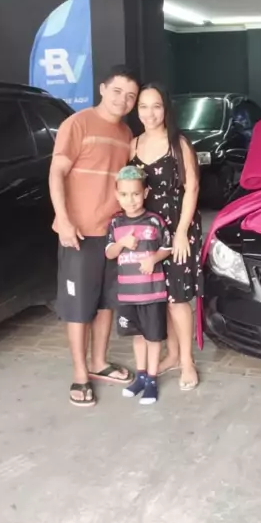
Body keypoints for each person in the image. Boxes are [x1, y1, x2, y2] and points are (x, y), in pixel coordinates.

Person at [49, 65, 140, 407]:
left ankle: (99, 363)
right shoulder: (78, 124)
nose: (123, 100)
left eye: (130, 96)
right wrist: (63, 219)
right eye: (117, 91)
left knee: (105, 303)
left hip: (113, 234)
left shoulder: (126, 134)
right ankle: (80, 374)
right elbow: (57, 173)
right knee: (78, 307)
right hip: (80, 234)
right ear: (102, 89)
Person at [130, 82, 202, 391]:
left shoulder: (178, 143)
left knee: (177, 299)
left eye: (156, 106)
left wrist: (182, 232)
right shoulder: (133, 145)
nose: (150, 113)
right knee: (160, 298)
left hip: (177, 228)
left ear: (166, 109)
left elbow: (192, 188)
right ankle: (171, 355)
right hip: (149, 231)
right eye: (143, 106)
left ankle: (187, 362)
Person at [106, 165, 172, 405]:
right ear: (117, 195)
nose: (130, 200)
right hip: (128, 294)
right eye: (124, 194)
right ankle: (141, 376)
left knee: (153, 337)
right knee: (137, 335)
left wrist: (153, 259)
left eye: (135, 194)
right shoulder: (116, 224)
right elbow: (110, 253)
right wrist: (122, 242)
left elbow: (167, 247)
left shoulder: (154, 221)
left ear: (145, 193)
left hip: (152, 292)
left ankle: (152, 379)